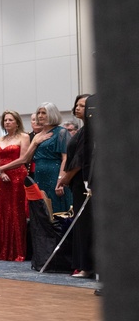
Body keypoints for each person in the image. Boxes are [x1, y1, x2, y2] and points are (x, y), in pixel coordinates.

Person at [0, 111, 30, 261]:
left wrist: (2, 169)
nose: (7, 122)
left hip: (17, 177)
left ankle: (18, 251)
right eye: (5, 120)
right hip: (3, 178)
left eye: (11, 120)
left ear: (17, 122)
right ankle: (4, 251)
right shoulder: (0, 139)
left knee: (16, 212)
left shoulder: (24, 137)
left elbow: (24, 159)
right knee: (4, 212)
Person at [60, 94, 95, 277]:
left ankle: (87, 266)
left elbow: (80, 159)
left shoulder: (90, 131)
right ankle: (83, 264)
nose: (79, 108)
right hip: (77, 183)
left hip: (84, 182)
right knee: (80, 224)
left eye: (84, 105)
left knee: (86, 224)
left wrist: (66, 177)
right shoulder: (82, 131)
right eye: (78, 105)